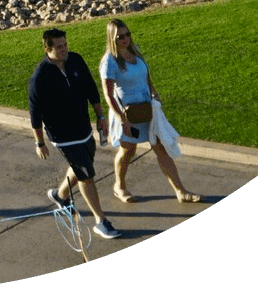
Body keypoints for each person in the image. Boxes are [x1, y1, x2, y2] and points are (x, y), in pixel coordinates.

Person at [29, 28, 122, 241]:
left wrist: (101, 118)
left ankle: (60, 196)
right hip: (62, 135)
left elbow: (91, 89)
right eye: (59, 47)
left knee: (83, 165)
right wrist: (39, 143)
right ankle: (101, 221)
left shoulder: (76, 60)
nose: (64, 50)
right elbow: (35, 113)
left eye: (65, 45)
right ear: (48, 49)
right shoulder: (40, 77)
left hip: (83, 129)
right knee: (86, 175)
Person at [100, 19, 201, 205]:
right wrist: (122, 119)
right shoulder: (110, 62)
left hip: (147, 109)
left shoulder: (134, 52)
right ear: (112, 38)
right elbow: (108, 95)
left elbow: (145, 75)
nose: (125, 39)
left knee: (160, 147)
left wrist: (154, 92)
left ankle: (181, 191)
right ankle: (119, 187)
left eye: (127, 34)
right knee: (128, 150)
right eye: (120, 36)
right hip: (128, 114)